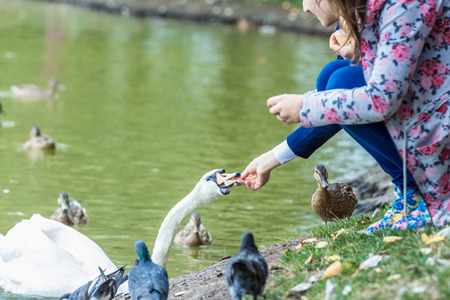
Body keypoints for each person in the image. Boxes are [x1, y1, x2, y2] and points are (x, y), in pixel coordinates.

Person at [239, 0, 449, 230]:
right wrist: (272, 158)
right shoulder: (359, 10)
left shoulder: (405, 5)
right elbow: (338, 101)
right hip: (429, 108)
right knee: (333, 75)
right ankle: (411, 193)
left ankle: (429, 195)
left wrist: (305, 105)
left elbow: (381, 98)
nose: (305, 8)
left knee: (341, 81)